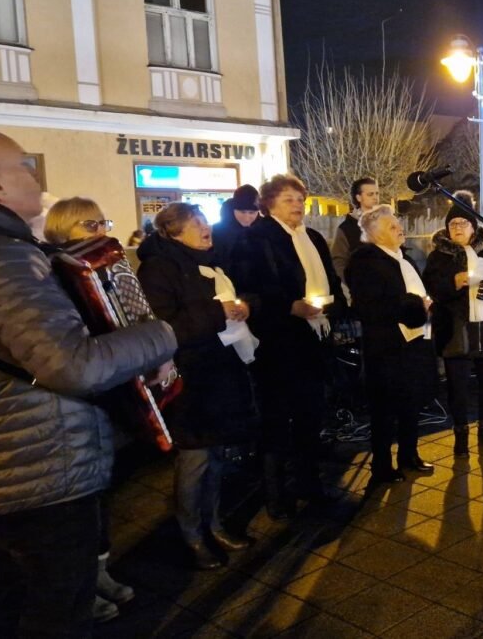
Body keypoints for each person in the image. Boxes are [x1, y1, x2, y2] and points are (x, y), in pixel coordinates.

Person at [0, 119, 176, 637]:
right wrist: (161, 335)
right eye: (24, 166)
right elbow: (73, 366)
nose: (36, 177)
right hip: (37, 472)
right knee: (56, 615)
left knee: (1, 607)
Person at [137, 203, 259, 569]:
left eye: (206, 220)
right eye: (198, 222)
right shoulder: (158, 269)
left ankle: (214, 524)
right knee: (195, 460)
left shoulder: (211, 262)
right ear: (174, 232)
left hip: (221, 373)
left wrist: (244, 307)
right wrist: (218, 312)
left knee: (216, 457)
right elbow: (165, 328)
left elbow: (238, 295)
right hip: (190, 379)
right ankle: (191, 535)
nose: (207, 227)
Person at [42, 197, 137, 622]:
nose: (101, 231)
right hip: (70, 402)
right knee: (73, 504)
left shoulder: (101, 267)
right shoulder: (53, 273)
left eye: (103, 223)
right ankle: (79, 587)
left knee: (99, 492)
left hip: (102, 395)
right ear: (62, 230)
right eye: (89, 224)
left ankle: (99, 570)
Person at [231, 174, 345, 518]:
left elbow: (329, 278)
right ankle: (277, 494)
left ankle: (310, 483)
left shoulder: (312, 237)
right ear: (269, 205)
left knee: (311, 415)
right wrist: (288, 306)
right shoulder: (256, 238)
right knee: (278, 419)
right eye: (288, 200)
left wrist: (334, 307)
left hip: (314, 337)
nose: (297, 205)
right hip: (278, 343)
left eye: (300, 199)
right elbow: (248, 289)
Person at [347, 205, 436, 482]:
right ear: (374, 234)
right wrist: (415, 305)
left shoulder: (403, 259)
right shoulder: (364, 262)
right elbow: (371, 306)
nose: (400, 229)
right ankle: (382, 466)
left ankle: (409, 455)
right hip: (385, 348)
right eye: (392, 226)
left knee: (411, 403)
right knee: (384, 410)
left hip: (413, 343)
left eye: (398, 224)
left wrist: (425, 305)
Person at [423, 192, 483, 458]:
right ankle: (460, 435)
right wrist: (453, 283)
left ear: (473, 227)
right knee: (458, 389)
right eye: (452, 224)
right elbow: (432, 288)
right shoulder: (439, 257)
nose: (457, 227)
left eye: (463, 223)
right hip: (456, 331)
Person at [330, 176, 380, 294]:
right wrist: (353, 283)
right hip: (363, 291)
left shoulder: (385, 222)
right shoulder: (346, 229)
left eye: (377, 193)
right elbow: (339, 261)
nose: (375, 197)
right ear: (358, 197)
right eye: (370, 194)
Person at [212, 184, 259, 269]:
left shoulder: (264, 229)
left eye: (252, 213)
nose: (247, 218)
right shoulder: (217, 231)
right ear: (233, 209)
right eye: (242, 212)